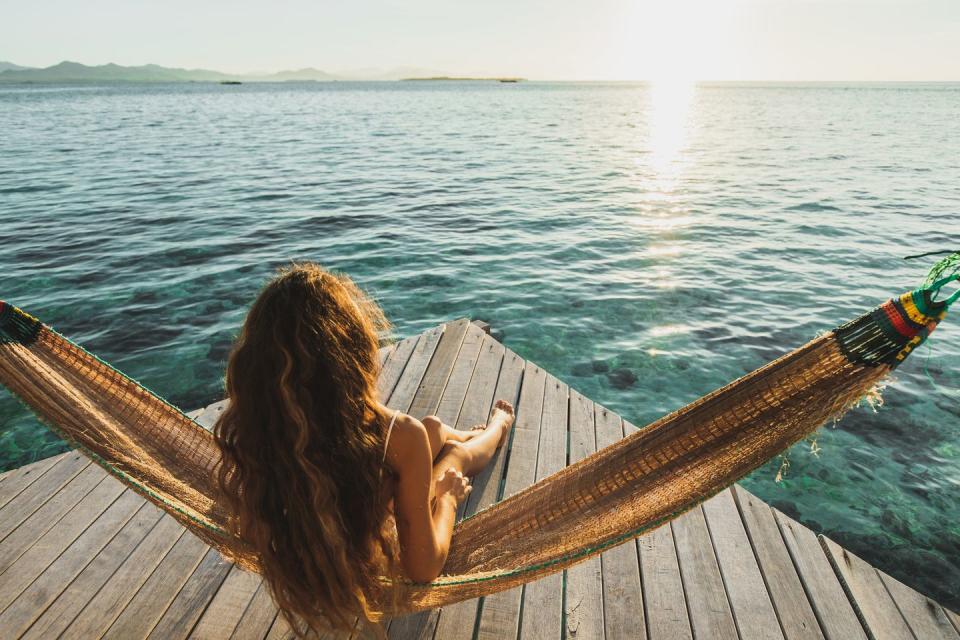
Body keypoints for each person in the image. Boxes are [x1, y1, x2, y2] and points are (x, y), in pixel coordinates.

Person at [213, 262, 515, 635]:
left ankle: (458, 431)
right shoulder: (397, 435)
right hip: (365, 514)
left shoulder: (256, 435)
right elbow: (423, 568)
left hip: (354, 492)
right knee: (452, 457)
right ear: (351, 355)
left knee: (430, 430)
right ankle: (497, 428)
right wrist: (449, 498)